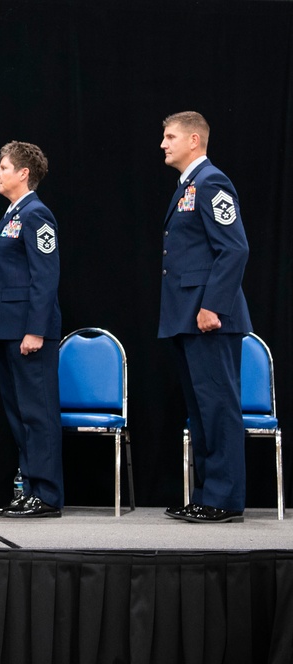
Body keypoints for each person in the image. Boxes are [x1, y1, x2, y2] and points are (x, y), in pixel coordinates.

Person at [159, 111, 252, 524]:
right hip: (188, 315)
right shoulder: (187, 187)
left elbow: (234, 249)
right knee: (201, 410)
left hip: (209, 315)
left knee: (218, 408)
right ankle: (207, 495)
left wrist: (212, 305)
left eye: (170, 136)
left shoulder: (212, 182)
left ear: (194, 140)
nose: (163, 144)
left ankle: (225, 499)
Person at [0, 141, 64, 518]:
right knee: (19, 414)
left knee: (38, 412)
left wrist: (36, 330)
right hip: (6, 330)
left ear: (23, 173)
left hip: (28, 333)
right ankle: (29, 487)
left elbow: (45, 277)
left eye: (3, 168)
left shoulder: (36, 214)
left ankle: (45, 493)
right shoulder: (12, 214)